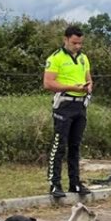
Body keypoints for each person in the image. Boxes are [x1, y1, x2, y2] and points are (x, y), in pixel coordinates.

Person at [43, 26, 93, 199]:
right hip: (64, 103)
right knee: (59, 144)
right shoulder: (55, 58)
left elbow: (88, 78)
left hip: (80, 105)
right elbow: (48, 83)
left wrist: (88, 86)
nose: (77, 46)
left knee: (75, 145)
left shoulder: (83, 58)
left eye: (80, 43)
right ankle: (55, 183)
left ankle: (75, 183)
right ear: (65, 40)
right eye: (74, 43)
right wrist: (71, 87)